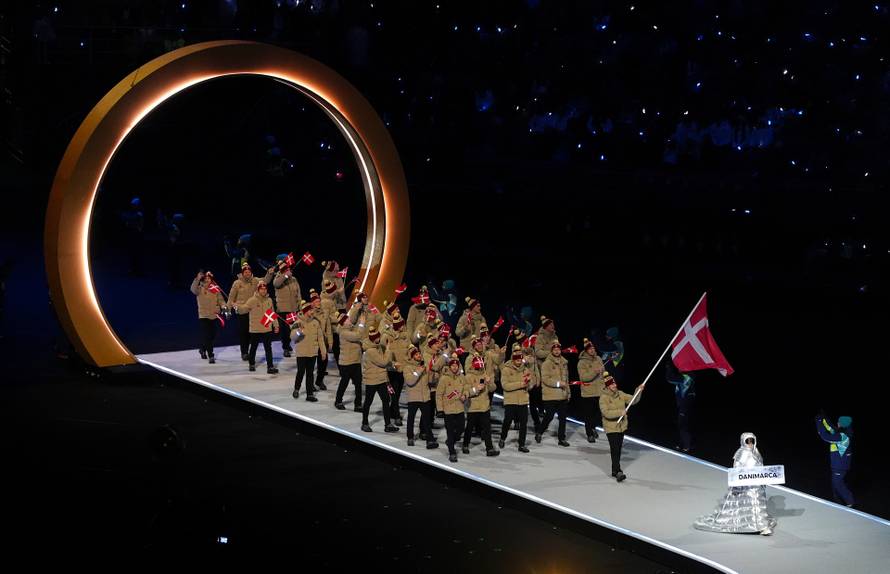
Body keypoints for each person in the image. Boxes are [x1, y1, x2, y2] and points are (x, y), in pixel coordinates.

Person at [694, 433, 777, 535]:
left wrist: (763, 478)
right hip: (744, 485)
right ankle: (753, 525)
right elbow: (736, 469)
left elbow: (761, 465)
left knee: (758, 504)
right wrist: (738, 482)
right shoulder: (741, 453)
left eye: (752, 441)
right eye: (748, 441)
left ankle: (762, 526)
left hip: (756, 484)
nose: (750, 443)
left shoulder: (756, 452)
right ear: (743, 441)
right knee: (748, 504)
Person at [599, 373, 644, 481]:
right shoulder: (603, 398)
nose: (614, 385)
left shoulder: (620, 394)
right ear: (607, 386)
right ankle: (618, 471)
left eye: (614, 382)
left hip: (621, 427)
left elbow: (633, 400)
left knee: (618, 449)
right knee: (615, 449)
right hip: (611, 427)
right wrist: (620, 412)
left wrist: (639, 390)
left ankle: (615, 470)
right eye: (611, 384)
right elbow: (606, 413)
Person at [228, 263, 272, 361]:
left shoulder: (256, 280)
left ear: (251, 272)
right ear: (242, 273)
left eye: (249, 272)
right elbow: (231, 297)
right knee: (243, 333)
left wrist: (269, 273)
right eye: (245, 272)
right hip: (242, 311)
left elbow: (265, 281)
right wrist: (228, 309)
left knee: (251, 332)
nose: (247, 273)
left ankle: (250, 352)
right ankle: (244, 352)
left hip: (253, 311)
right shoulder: (237, 283)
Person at [234, 282, 279, 374]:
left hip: (266, 328)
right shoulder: (252, 300)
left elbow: (272, 313)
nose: (264, 290)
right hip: (255, 329)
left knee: (268, 348)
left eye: (265, 289)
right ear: (258, 290)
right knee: (253, 347)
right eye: (262, 289)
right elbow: (244, 309)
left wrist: (276, 325)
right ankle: (251, 364)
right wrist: (237, 307)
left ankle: (270, 367)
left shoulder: (269, 300)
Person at [360, 326, 398, 433]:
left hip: (381, 379)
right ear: (374, 339)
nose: (380, 338)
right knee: (368, 402)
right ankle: (364, 423)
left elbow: (385, 362)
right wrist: (389, 350)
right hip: (372, 381)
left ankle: (388, 424)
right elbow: (383, 362)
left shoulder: (378, 347)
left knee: (386, 400)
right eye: (378, 337)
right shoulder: (371, 351)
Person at [462, 351, 500, 457]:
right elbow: (466, 392)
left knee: (487, 429)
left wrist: (490, 383)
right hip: (473, 407)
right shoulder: (468, 377)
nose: (479, 368)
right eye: (478, 366)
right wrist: (476, 389)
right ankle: (465, 445)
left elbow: (493, 389)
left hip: (484, 406)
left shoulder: (485, 375)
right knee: (469, 428)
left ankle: (489, 448)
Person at [498, 344, 534, 453]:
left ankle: (521, 444)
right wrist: (521, 384)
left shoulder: (526, 370)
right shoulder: (506, 369)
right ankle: (503, 438)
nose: (518, 361)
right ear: (513, 359)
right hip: (511, 401)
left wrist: (528, 383)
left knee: (524, 423)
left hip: (523, 400)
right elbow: (505, 386)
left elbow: (531, 385)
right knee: (507, 421)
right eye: (516, 359)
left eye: (520, 358)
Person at [536, 339, 571, 447]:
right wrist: (557, 384)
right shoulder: (546, 363)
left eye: (558, 349)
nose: (556, 351)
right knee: (549, 416)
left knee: (563, 417)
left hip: (562, 395)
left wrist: (568, 393)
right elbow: (545, 379)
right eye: (554, 349)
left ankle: (561, 438)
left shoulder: (564, 363)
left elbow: (566, 380)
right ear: (551, 351)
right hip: (550, 395)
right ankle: (540, 432)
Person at [815, 412, 855, 507]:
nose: (837, 422)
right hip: (838, 465)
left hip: (840, 466)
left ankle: (850, 502)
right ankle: (837, 499)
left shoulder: (843, 437)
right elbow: (831, 428)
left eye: (838, 422)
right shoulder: (842, 432)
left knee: (837, 484)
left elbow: (825, 436)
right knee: (835, 483)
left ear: (842, 425)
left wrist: (819, 422)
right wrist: (824, 418)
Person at [403, 345, 439, 449]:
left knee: (427, 420)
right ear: (412, 356)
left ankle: (430, 440)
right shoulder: (407, 368)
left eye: (419, 354)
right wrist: (419, 371)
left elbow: (431, 381)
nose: (419, 356)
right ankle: (410, 437)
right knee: (411, 419)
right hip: (413, 398)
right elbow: (410, 381)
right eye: (416, 354)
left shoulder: (425, 366)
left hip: (425, 397)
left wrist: (433, 374)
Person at [292, 300, 327, 402]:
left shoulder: (316, 322)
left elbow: (320, 338)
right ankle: (296, 389)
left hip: (313, 352)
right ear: (306, 311)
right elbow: (293, 337)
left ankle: (310, 394)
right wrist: (299, 332)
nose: (312, 312)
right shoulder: (298, 322)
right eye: (311, 310)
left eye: (312, 310)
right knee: (301, 372)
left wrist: (323, 351)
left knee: (310, 373)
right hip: (302, 353)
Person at [437, 356, 469, 463]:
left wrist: (465, 395)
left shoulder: (462, 377)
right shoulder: (444, 378)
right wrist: (440, 409)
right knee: (450, 431)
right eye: (453, 366)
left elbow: (466, 388)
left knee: (460, 428)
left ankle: (451, 441)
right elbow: (439, 394)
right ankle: (452, 452)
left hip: (459, 408)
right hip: (448, 409)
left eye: (456, 365)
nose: (455, 368)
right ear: (450, 367)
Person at [189, 270, 226, 364]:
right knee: (207, 335)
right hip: (204, 316)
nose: (208, 280)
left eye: (209, 278)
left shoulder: (215, 289)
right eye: (206, 278)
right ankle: (211, 355)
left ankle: (202, 348)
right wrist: (197, 278)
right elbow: (192, 289)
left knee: (212, 335)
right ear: (203, 279)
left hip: (214, 315)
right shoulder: (199, 288)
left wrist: (223, 307)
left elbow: (221, 300)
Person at [333, 311, 364, 412]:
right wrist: (361, 324)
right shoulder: (344, 332)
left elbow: (359, 333)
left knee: (358, 384)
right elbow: (358, 336)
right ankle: (338, 401)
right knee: (344, 383)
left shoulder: (351, 329)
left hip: (355, 361)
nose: (349, 320)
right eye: (347, 319)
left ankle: (358, 404)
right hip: (346, 363)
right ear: (343, 323)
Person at [383, 311, 410, 426]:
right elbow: (384, 352)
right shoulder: (387, 336)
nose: (403, 326)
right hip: (392, 369)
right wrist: (392, 364)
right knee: (393, 394)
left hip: (402, 369)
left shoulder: (406, 336)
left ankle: (391, 411)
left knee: (397, 393)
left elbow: (408, 351)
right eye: (401, 325)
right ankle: (397, 416)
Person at [577, 337, 606, 442]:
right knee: (588, 415)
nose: (592, 350)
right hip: (588, 393)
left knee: (598, 413)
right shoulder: (582, 363)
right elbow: (584, 378)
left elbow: (603, 374)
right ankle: (589, 433)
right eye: (590, 349)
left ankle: (593, 427)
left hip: (600, 391)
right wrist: (595, 371)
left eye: (593, 348)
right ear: (586, 351)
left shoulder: (599, 359)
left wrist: (604, 377)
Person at [272, 254, 301, 357]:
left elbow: (298, 293)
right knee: (285, 330)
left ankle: (294, 346)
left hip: (293, 308)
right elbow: (276, 284)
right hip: (283, 309)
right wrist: (285, 275)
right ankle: (285, 347)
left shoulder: (294, 279)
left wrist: (300, 305)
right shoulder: (278, 276)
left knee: (293, 328)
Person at [666, 362, 696, 452]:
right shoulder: (688, 377)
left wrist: (668, 368)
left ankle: (687, 446)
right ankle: (682, 444)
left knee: (683, 425)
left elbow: (669, 379)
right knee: (682, 425)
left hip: (685, 405)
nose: (679, 368)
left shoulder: (685, 378)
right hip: (685, 405)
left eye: (681, 367)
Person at [309, 289, 332, 390]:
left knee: (323, 362)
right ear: (312, 303)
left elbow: (329, 329)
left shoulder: (325, 312)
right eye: (316, 302)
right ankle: (310, 384)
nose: (318, 303)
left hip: (323, 342)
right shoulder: (309, 313)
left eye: (319, 301)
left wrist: (330, 342)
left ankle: (319, 380)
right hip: (313, 342)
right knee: (311, 364)